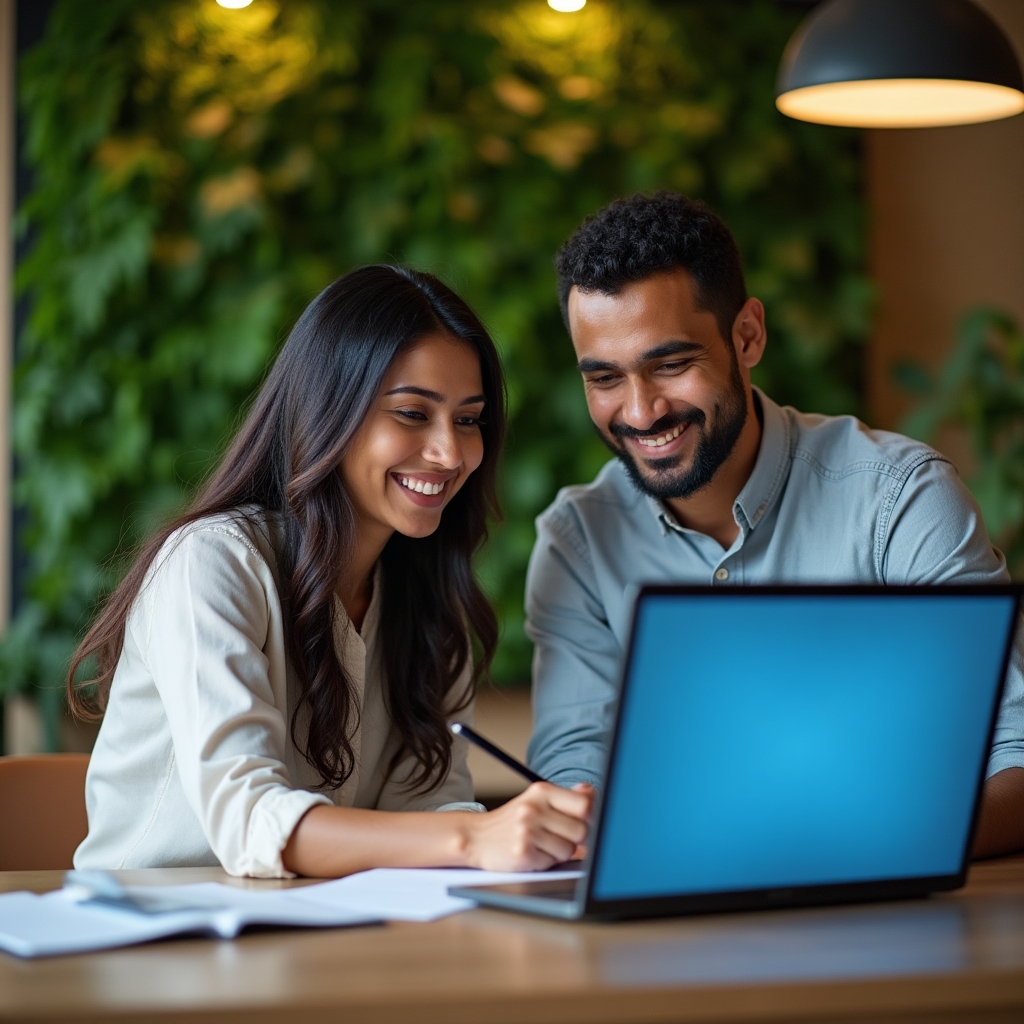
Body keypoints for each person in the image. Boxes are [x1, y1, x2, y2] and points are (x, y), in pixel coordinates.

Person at [525, 192, 1024, 859]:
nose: (640, 413)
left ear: (748, 336)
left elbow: (1013, 750)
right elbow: (571, 769)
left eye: (670, 365)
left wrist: (869, 850)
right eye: (605, 378)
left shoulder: (901, 499)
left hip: (889, 896)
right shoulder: (578, 543)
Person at [72, 264, 592, 878]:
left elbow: (429, 815)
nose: (450, 453)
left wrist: (529, 839)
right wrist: (475, 837)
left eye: (468, 419)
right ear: (329, 410)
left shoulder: (428, 600)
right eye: (412, 413)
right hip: (149, 927)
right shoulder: (212, 563)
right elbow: (250, 822)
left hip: (316, 930)